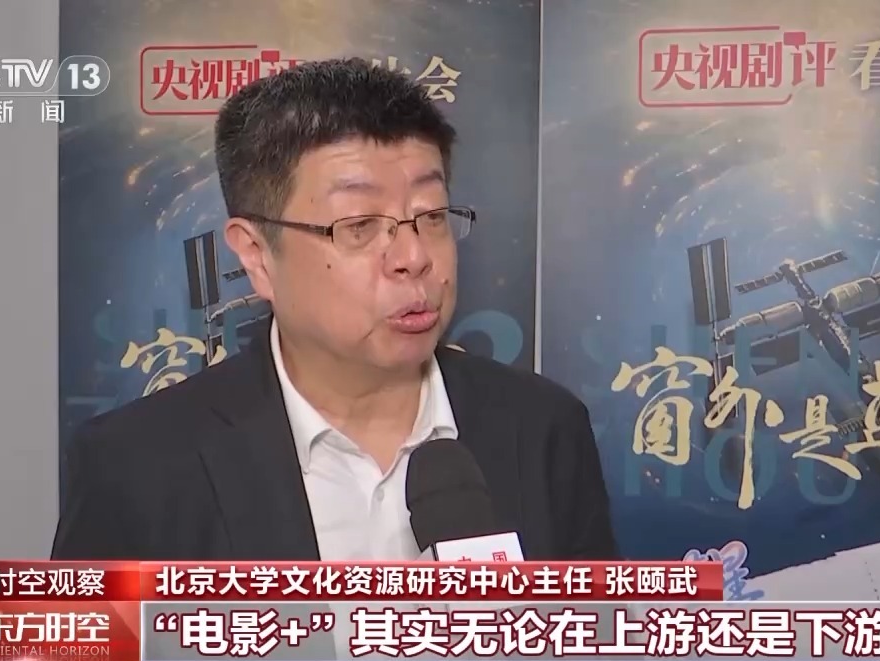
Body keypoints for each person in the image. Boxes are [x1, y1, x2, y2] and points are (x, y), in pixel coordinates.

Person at [51, 57, 618, 562]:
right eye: (360, 225)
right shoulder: (136, 467)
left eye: (432, 216)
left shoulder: (544, 430)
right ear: (256, 255)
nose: (414, 258)